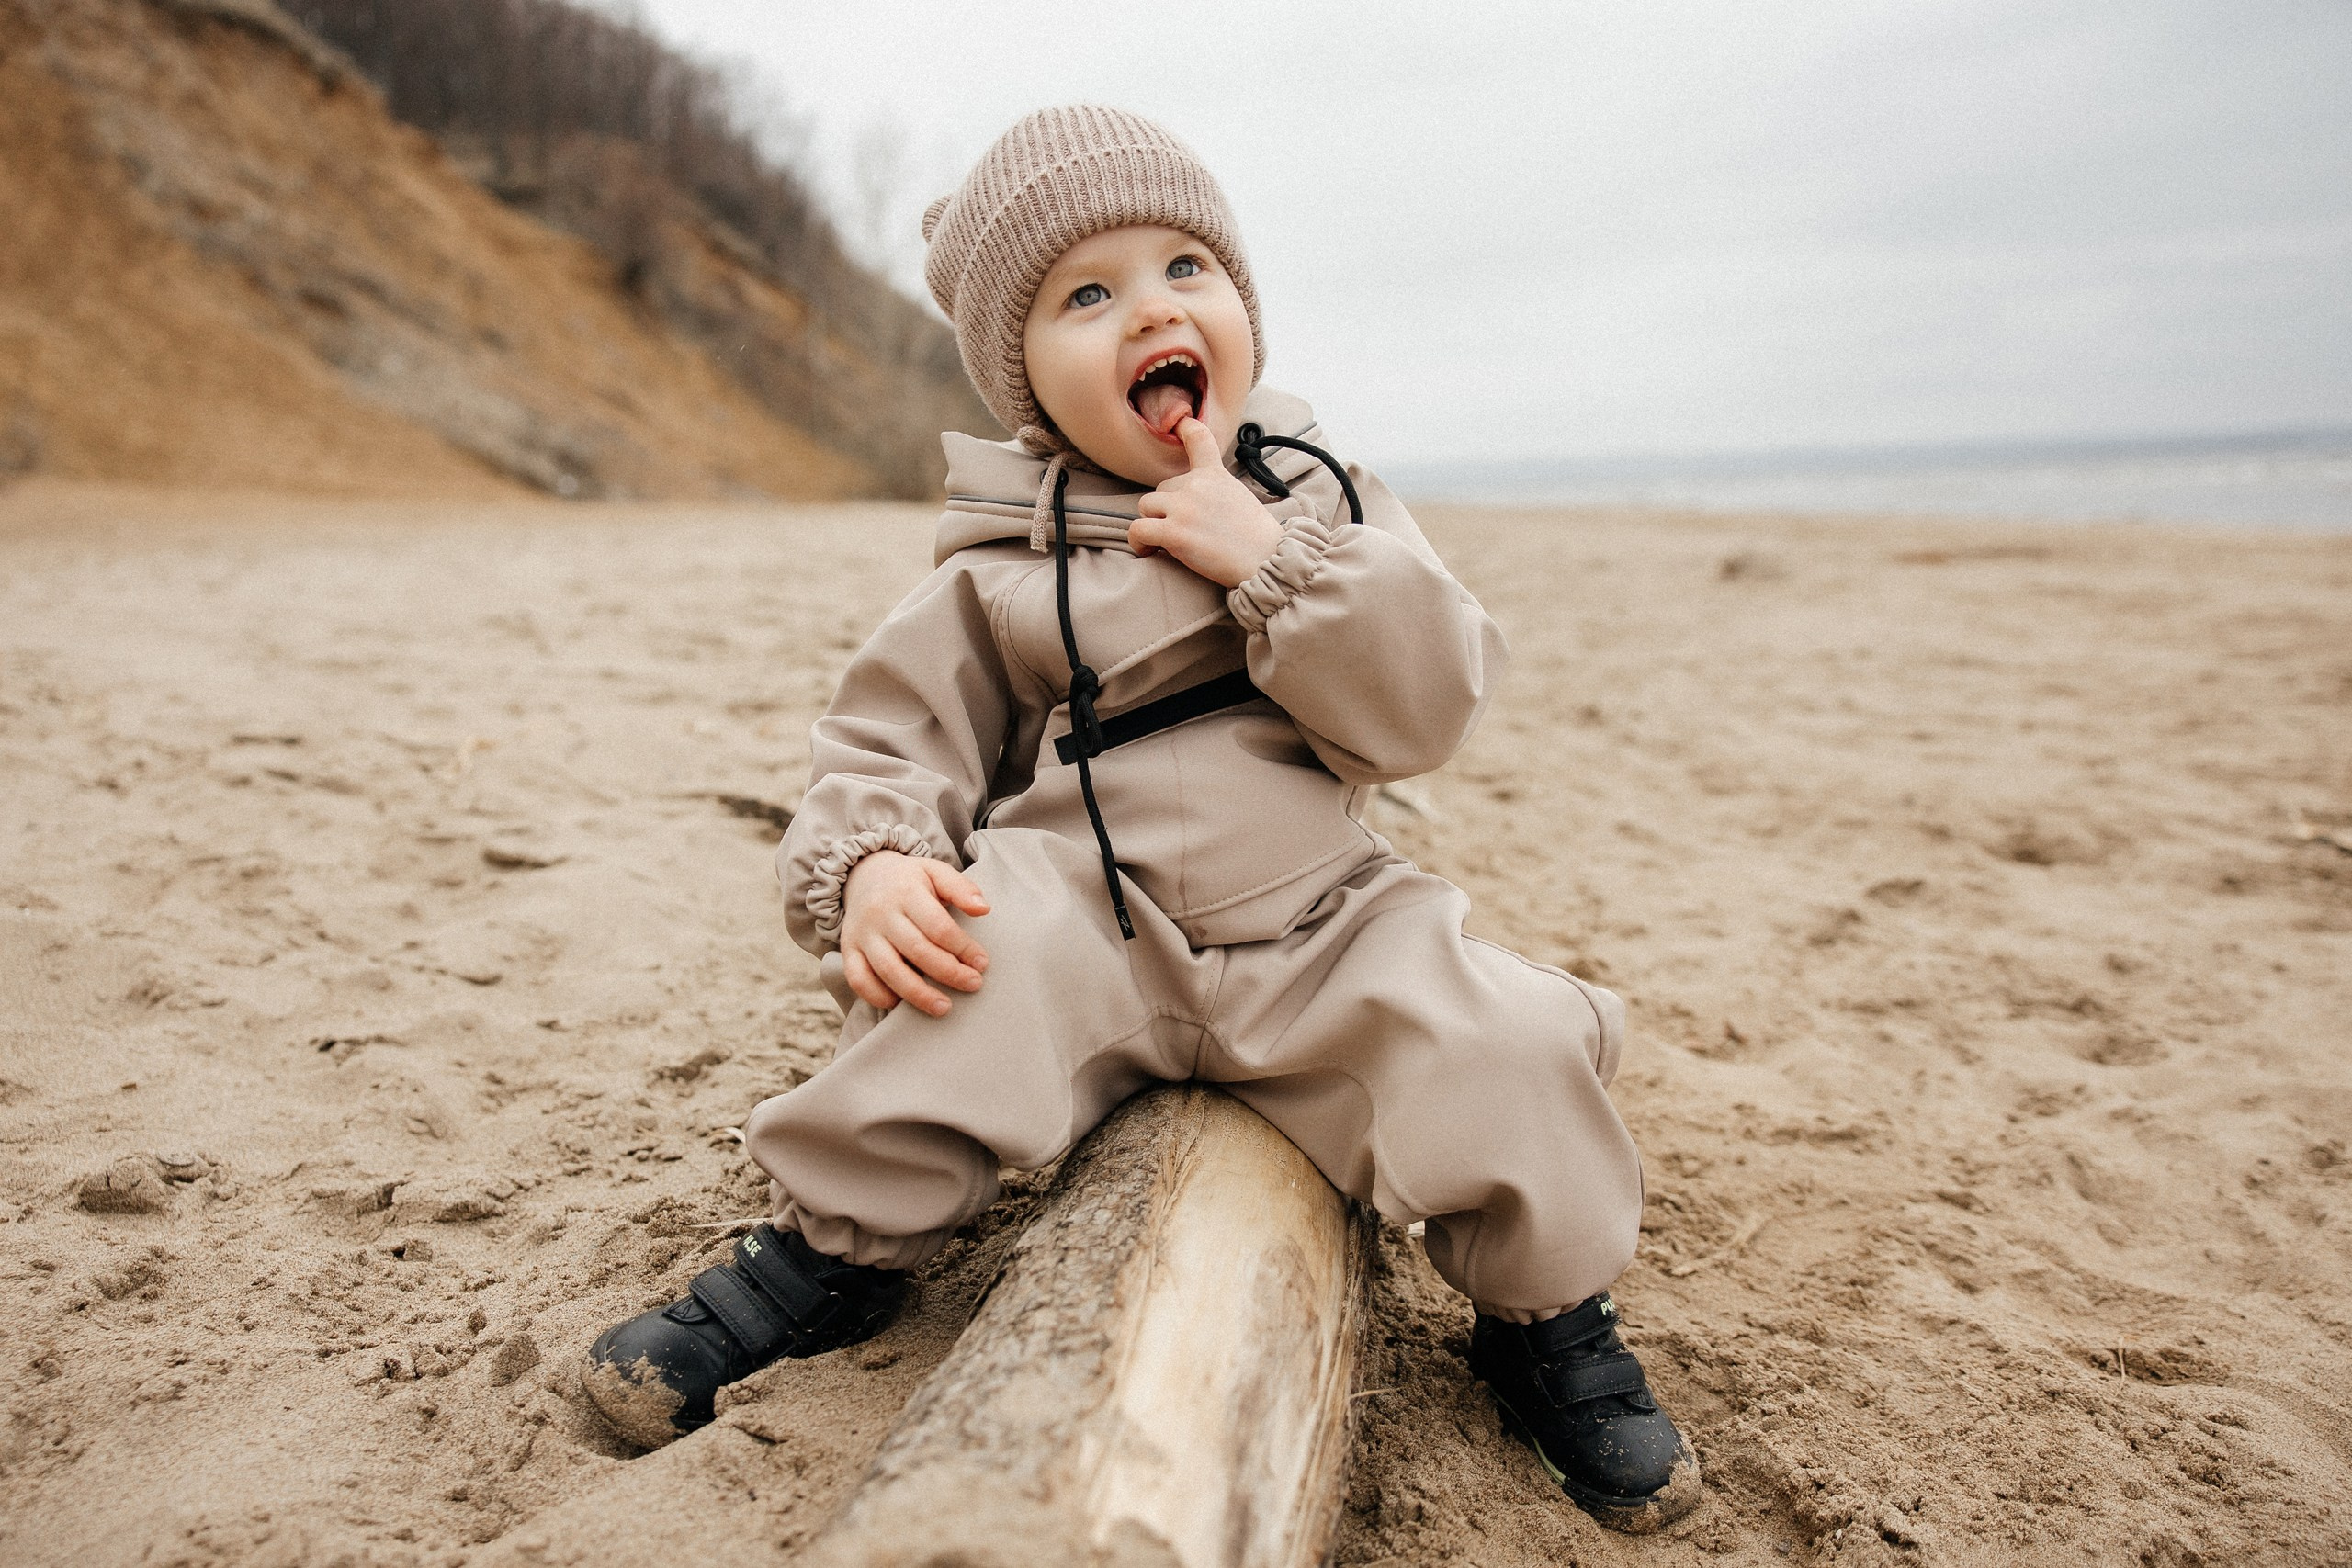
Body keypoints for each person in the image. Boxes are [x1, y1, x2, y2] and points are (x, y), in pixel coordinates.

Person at [583, 104, 1700, 1532]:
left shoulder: (1323, 497)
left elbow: (1424, 705)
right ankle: (830, 1255)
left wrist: (1278, 563)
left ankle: (1547, 1321)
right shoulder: (997, 562)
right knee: (959, 967)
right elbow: (887, 735)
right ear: (1023, 381)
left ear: (1243, 308)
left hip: (1317, 925)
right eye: (1087, 294)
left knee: (1513, 1043)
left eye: (1189, 268)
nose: (1154, 308)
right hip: (1090, 923)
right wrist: (872, 867)